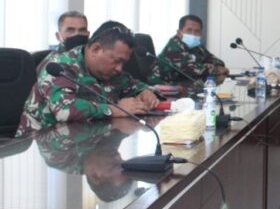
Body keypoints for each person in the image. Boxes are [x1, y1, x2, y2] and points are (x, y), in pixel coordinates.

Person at [16, 21, 159, 136]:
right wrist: (115, 109)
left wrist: (146, 92)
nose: (119, 68)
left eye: (123, 63)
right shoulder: (61, 67)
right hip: (41, 142)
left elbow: (133, 85)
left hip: (89, 139)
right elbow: (65, 110)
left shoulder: (109, 71)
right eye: (116, 61)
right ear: (95, 49)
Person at [154, 15, 229, 89]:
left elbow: (217, 61)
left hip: (186, 83)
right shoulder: (173, 46)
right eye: (189, 30)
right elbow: (193, 70)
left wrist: (207, 66)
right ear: (179, 32)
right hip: (163, 87)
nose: (193, 34)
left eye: (197, 31)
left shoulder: (196, 45)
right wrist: (216, 69)